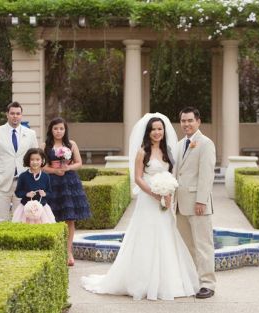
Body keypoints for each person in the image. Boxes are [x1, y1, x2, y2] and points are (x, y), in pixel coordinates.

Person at [82, 113, 199, 301]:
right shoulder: (142, 152)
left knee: (166, 235)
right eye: (153, 129)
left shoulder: (168, 151)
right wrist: (155, 193)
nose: (157, 132)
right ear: (148, 132)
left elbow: (171, 175)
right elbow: (137, 177)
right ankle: (142, 281)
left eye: (160, 129)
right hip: (148, 199)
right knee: (146, 236)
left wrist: (168, 193)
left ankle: (167, 281)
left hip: (164, 201)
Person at [175, 107, 216, 299]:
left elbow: (207, 175)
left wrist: (201, 200)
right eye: (183, 121)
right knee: (187, 245)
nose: (186, 124)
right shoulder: (179, 144)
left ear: (198, 121)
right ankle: (193, 281)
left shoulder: (206, 143)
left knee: (203, 245)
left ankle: (207, 284)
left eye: (190, 120)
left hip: (198, 203)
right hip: (180, 205)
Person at [42, 117, 91, 266]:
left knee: (70, 219)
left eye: (61, 129)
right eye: (56, 128)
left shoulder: (71, 144)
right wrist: (55, 171)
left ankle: (68, 252)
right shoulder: (45, 145)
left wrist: (68, 167)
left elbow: (79, 163)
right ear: (51, 130)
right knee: (52, 217)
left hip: (69, 183)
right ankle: (55, 251)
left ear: (65, 130)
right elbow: (42, 166)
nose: (58, 131)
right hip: (52, 183)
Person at [0, 101, 38, 223]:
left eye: (18, 113)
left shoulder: (30, 134)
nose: (15, 116)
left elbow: (35, 158)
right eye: (12, 113)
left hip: (24, 183)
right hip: (0, 182)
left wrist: (34, 179)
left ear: (21, 115)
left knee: (23, 219)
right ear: (7, 114)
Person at [12, 148, 55, 224]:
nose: (35, 162)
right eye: (32, 160)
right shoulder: (23, 176)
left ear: (42, 161)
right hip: (25, 209)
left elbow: (50, 192)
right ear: (28, 160)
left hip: (42, 210)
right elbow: (18, 192)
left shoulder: (46, 177)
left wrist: (45, 194)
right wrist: (26, 194)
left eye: (38, 159)